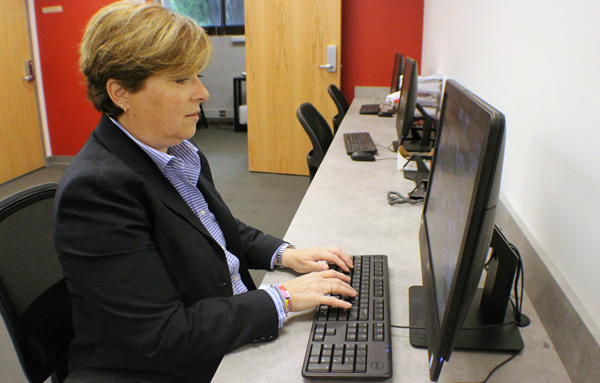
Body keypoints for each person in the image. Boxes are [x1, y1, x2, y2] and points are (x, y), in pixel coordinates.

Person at [54, 2, 356, 382]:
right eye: (181, 80)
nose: (202, 92)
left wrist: (287, 255)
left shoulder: (173, 149)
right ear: (121, 93)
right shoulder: (97, 191)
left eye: (197, 75)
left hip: (220, 323)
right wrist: (286, 298)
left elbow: (214, 228)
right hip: (164, 365)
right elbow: (166, 334)